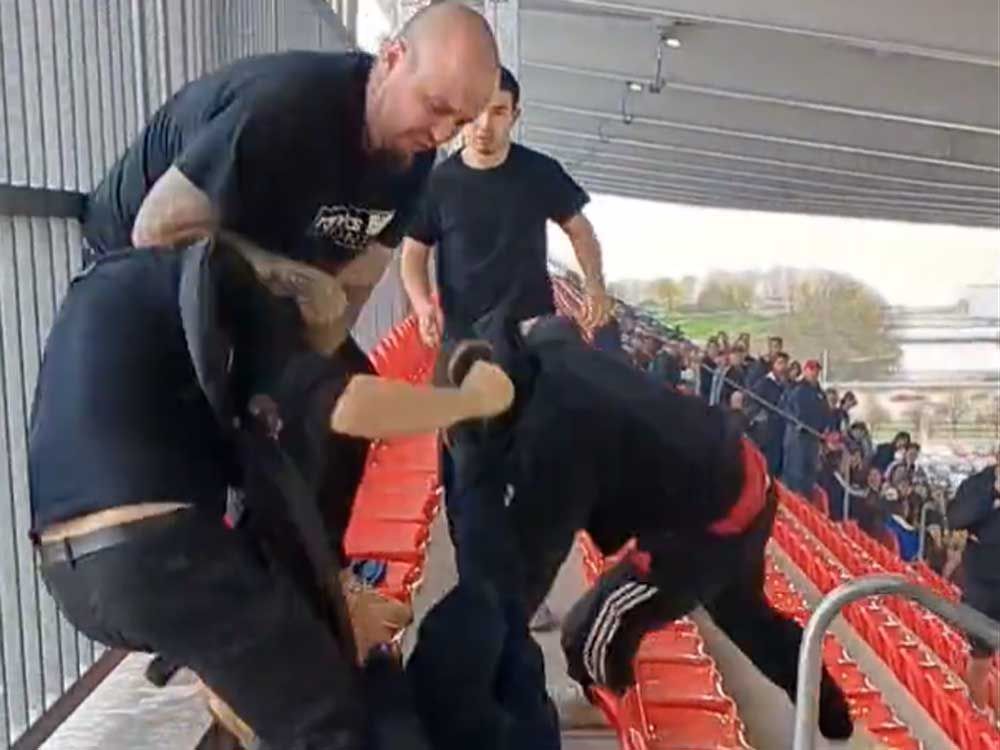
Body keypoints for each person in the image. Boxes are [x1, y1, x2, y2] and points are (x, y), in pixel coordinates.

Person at [29, 235, 517, 750]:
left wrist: (340, 595)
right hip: (163, 560)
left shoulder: (114, 286)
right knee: (334, 728)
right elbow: (348, 409)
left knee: (277, 692)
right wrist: (472, 399)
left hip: (74, 576)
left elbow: (263, 501)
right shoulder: (240, 283)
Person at [412, 319, 854, 748]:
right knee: (748, 619)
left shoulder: (555, 441)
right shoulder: (546, 350)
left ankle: (601, 697)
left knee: (586, 633)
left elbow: (523, 576)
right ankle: (835, 722)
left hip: (704, 524)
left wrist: (474, 463)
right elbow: (553, 325)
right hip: (739, 472)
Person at [82, 0, 500, 337]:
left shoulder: (414, 154)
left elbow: (353, 288)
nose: (443, 133)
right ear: (392, 58)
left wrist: (313, 384)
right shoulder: (288, 107)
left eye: (460, 122)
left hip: (235, 271)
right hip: (129, 265)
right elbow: (156, 230)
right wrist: (291, 277)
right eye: (435, 107)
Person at [400, 66, 610, 362]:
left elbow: (579, 229)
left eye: (498, 112)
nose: (484, 124)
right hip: (464, 338)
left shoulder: (540, 172)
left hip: (529, 332)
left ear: (515, 115)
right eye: (477, 111)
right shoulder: (438, 184)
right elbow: (413, 252)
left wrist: (594, 284)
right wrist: (422, 304)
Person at [946, 452, 1000, 712]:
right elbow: (958, 518)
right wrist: (993, 494)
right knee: (981, 656)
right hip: (982, 585)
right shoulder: (977, 484)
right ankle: (977, 715)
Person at [782, 359, 830, 497]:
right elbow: (786, 409)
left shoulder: (820, 393)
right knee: (795, 473)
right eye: (812, 369)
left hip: (813, 438)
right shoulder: (796, 389)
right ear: (805, 371)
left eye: (817, 370)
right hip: (797, 438)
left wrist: (823, 430)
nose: (814, 373)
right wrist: (797, 424)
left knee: (810, 475)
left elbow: (825, 413)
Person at [748, 350, 789, 476]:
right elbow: (752, 403)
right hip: (767, 432)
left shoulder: (785, 385)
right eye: (780, 363)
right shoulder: (763, 383)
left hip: (781, 430)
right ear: (773, 365)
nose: (783, 367)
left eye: (785, 364)